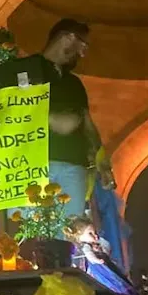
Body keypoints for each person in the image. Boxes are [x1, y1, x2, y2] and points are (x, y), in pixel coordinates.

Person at [41, 19, 113, 216]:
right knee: (32, 229)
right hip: (35, 166)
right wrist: (50, 119)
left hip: (74, 168)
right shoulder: (26, 70)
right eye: (83, 46)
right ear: (68, 38)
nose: (82, 54)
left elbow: (87, 123)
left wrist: (102, 164)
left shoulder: (74, 83)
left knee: (71, 229)